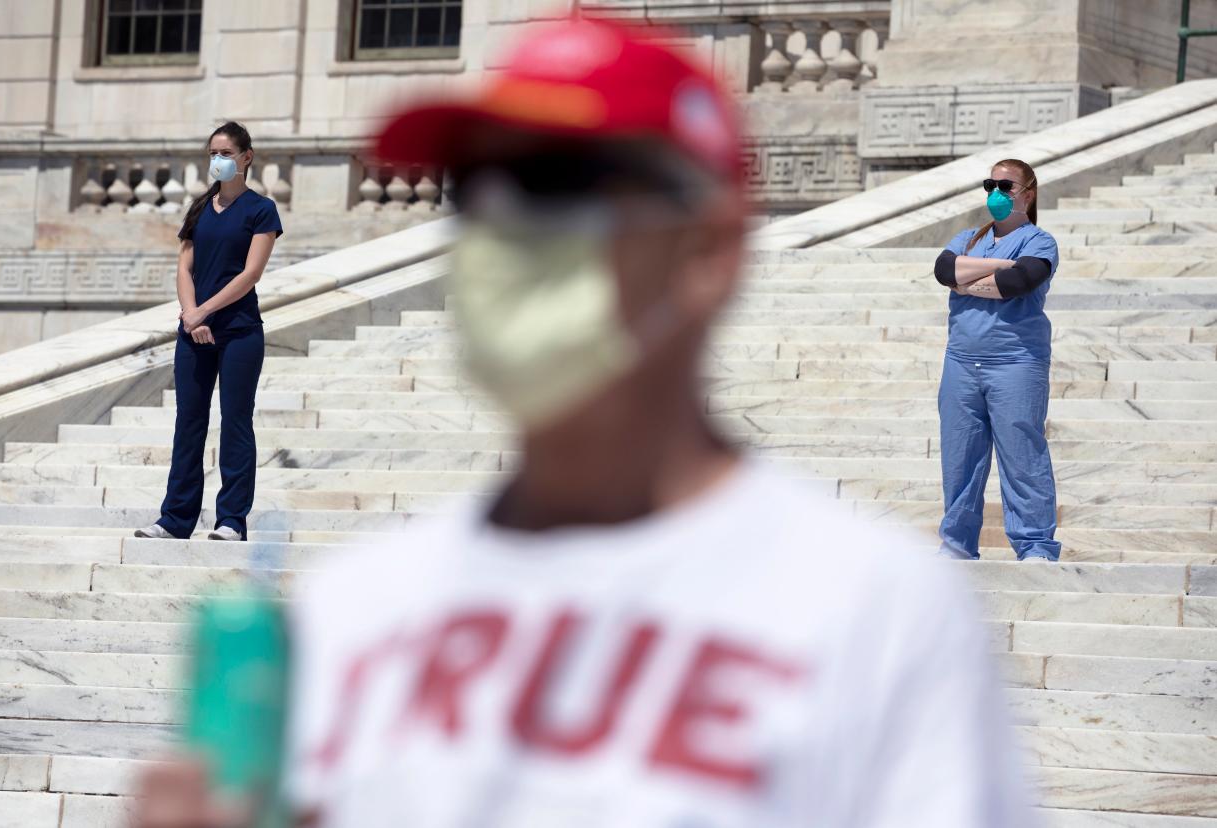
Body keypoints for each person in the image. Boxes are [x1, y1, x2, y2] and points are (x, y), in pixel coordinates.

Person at [133, 19, 1038, 828]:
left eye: (562, 188)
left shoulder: (878, 621)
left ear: (709, 250)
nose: (509, 231)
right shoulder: (352, 615)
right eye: (485, 188)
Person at [134, 121, 283, 543]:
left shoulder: (261, 210)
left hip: (238, 332)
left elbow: (251, 274)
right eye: (212, 154)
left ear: (246, 157)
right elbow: (184, 266)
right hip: (193, 332)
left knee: (236, 422)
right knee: (189, 422)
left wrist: (204, 312)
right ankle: (175, 519)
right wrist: (189, 316)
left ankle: (231, 520)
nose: (217, 161)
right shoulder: (199, 208)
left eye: (226, 153)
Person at [932, 159, 1061, 562]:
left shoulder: (1039, 241)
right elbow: (942, 270)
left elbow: (1017, 282)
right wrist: (996, 265)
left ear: (1028, 193)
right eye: (991, 184)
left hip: (1016, 363)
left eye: (1006, 186)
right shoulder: (968, 237)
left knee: (1022, 457)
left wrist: (967, 280)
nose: (997, 193)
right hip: (961, 362)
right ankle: (957, 544)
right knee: (960, 459)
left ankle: (1035, 545)